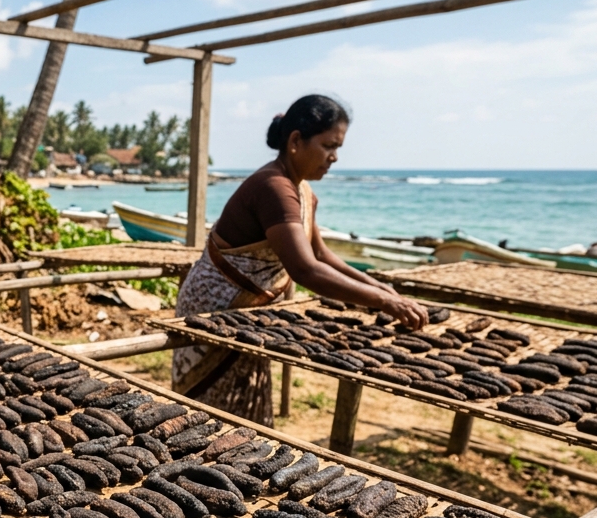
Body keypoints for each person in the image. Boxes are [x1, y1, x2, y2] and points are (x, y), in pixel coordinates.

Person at [172, 94, 429, 425]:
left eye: (338, 148)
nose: (334, 157)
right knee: (207, 416)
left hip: (248, 311)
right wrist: (382, 301)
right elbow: (305, 269)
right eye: (328, 146)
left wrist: (381, 288)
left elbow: (320, 253)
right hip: (217, 306)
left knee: (243, 411)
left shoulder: (299, 189)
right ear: (295, 141)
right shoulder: (274, 187)